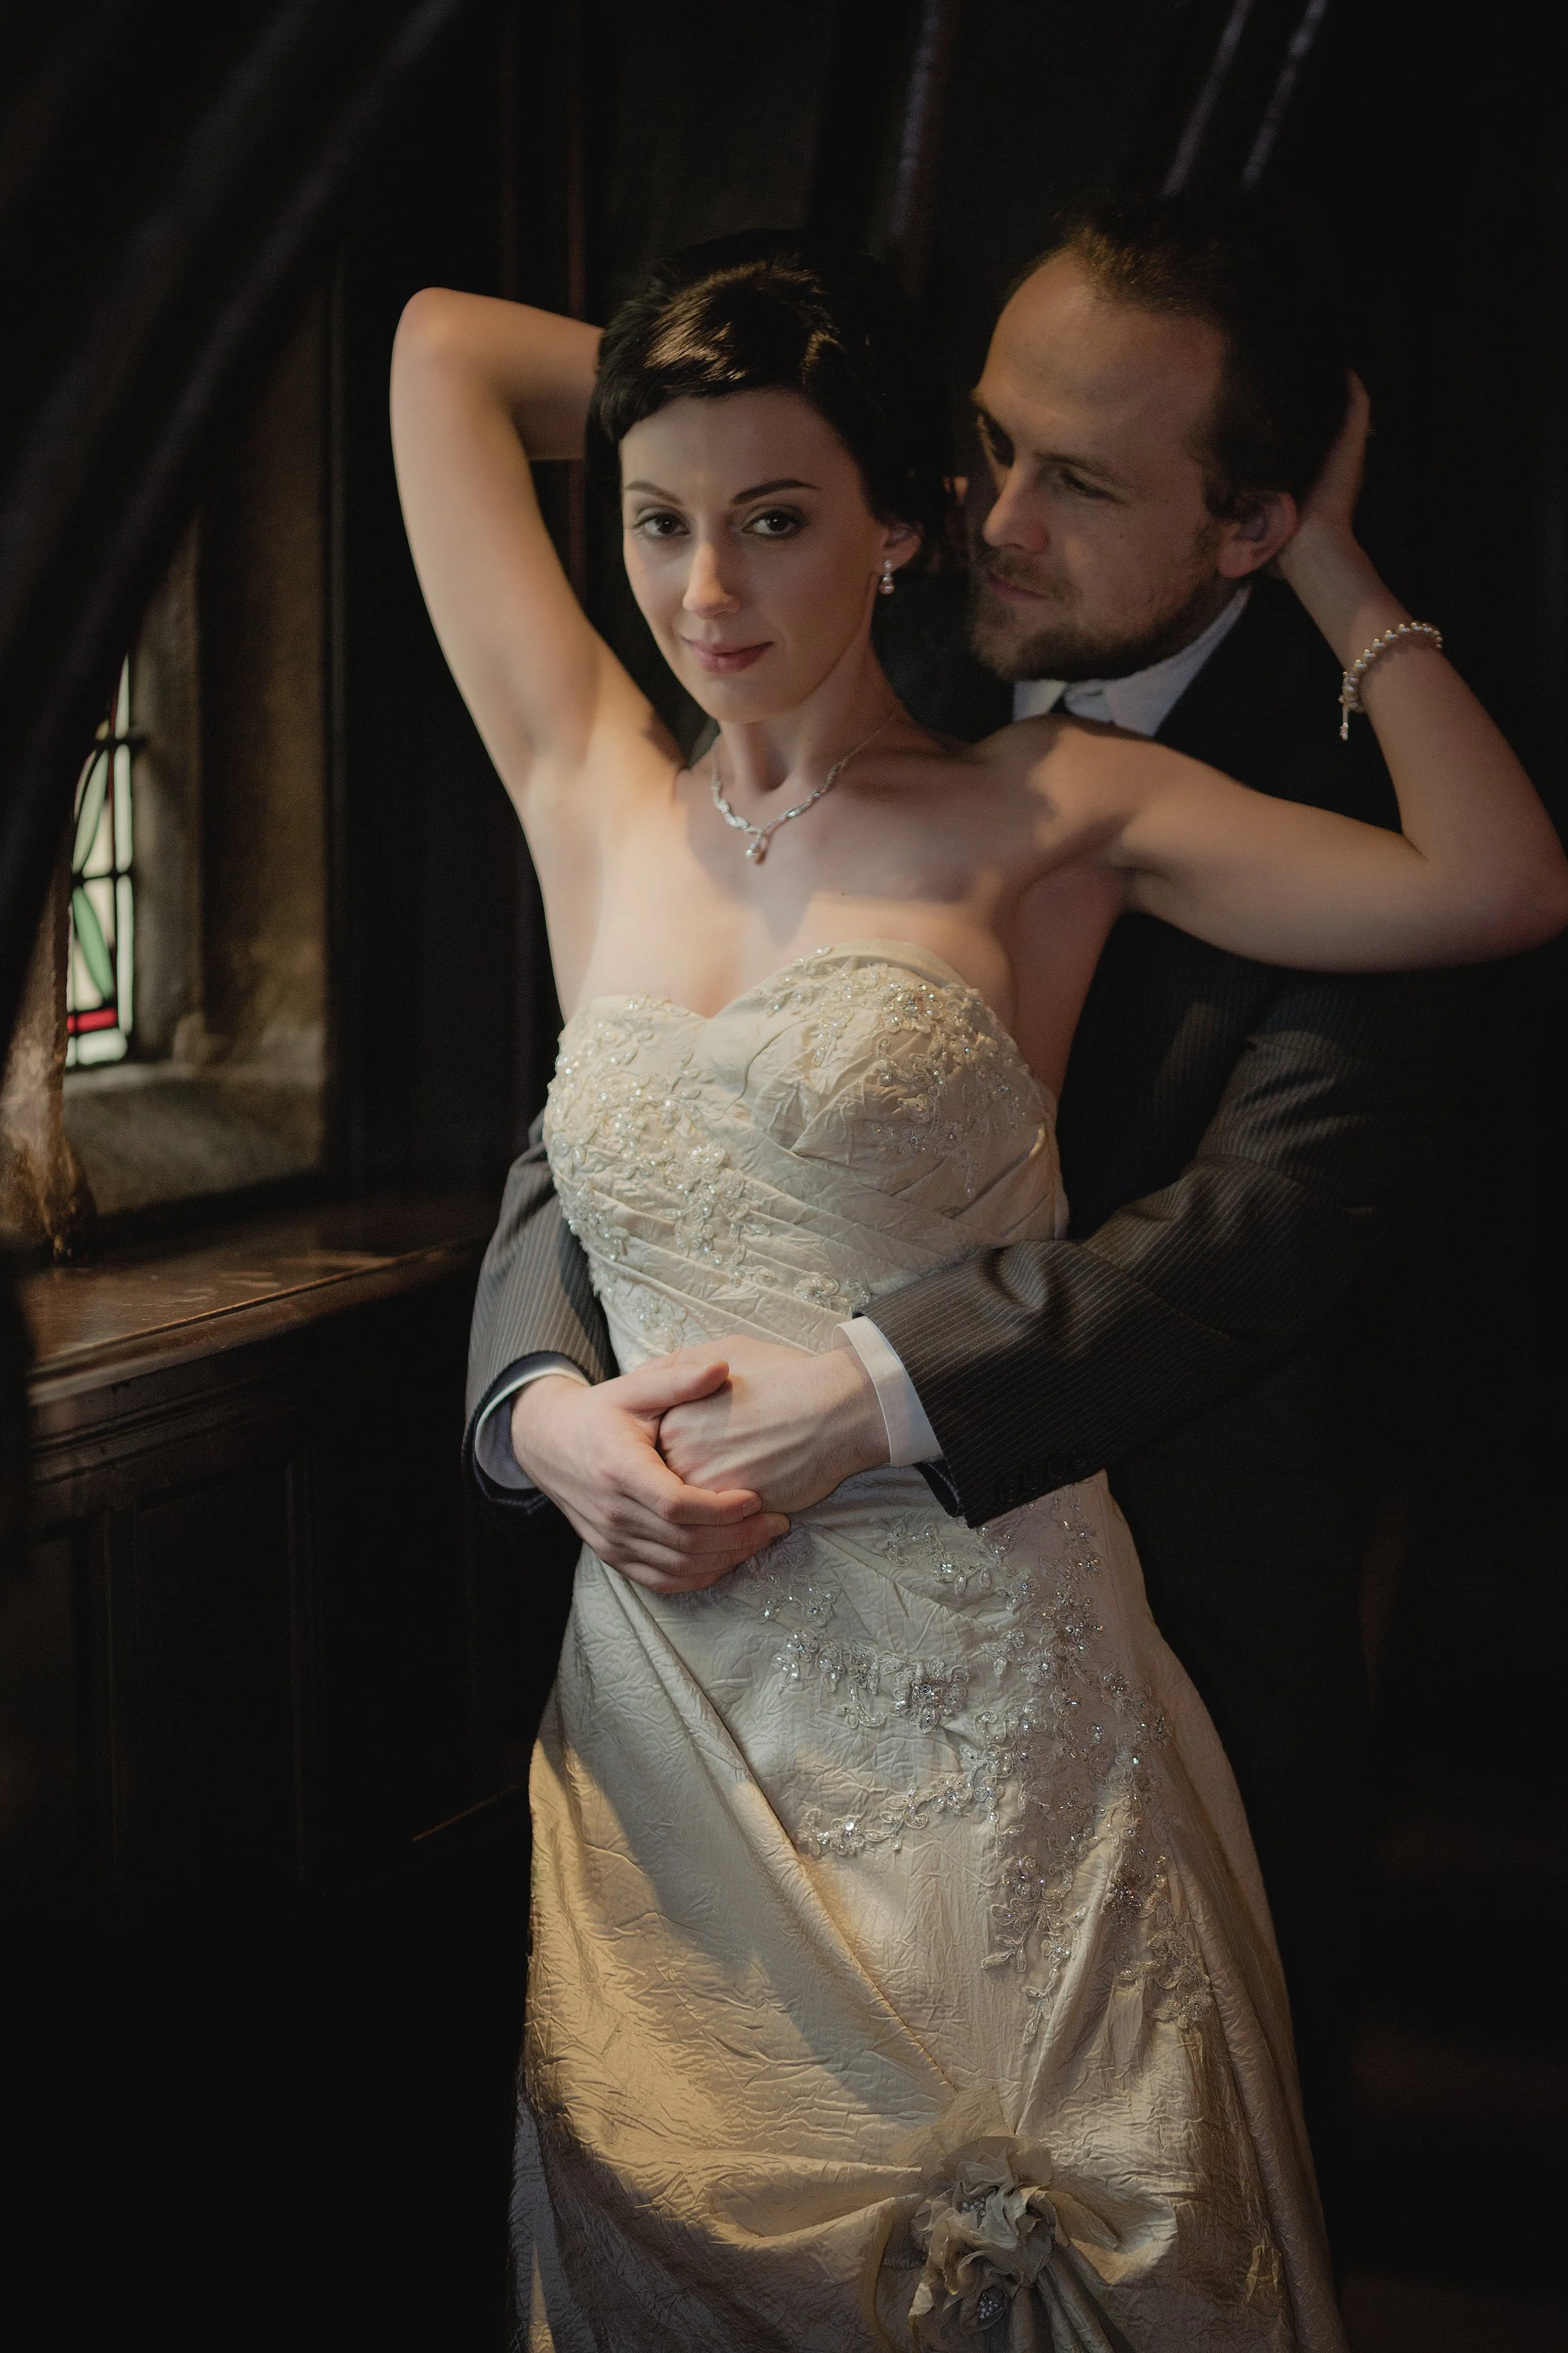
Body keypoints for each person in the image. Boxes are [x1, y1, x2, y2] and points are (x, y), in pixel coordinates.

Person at [393, 223, 1565, 2349]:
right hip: (673, 1679)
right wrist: (539, 1407)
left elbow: (1479, 912)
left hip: (1015, 1644)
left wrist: (1334, 566)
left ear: (886, 533)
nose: (707, 589)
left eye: (779, 521)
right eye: (661, 523)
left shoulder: (1057, 806)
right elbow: (439, 352)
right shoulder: (602, 783)